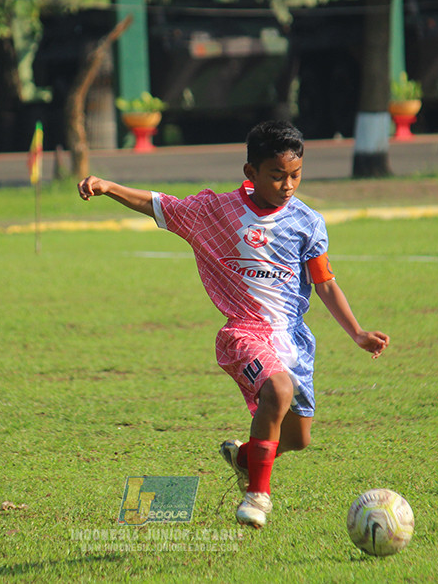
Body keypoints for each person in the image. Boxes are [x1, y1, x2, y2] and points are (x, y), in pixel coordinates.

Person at [77, 120, 389, 529]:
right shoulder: (215, 212)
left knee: (297, 438)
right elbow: (159, 203)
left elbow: (325, 283)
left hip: (292, 339)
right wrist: (108, 186)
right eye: (277, 176)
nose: (288, 184)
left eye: (295, 175)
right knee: (277, 391)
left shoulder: (308, 223)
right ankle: (258, 496)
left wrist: (357, 332)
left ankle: (244, 458)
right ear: (251, 173)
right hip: (243, 332)